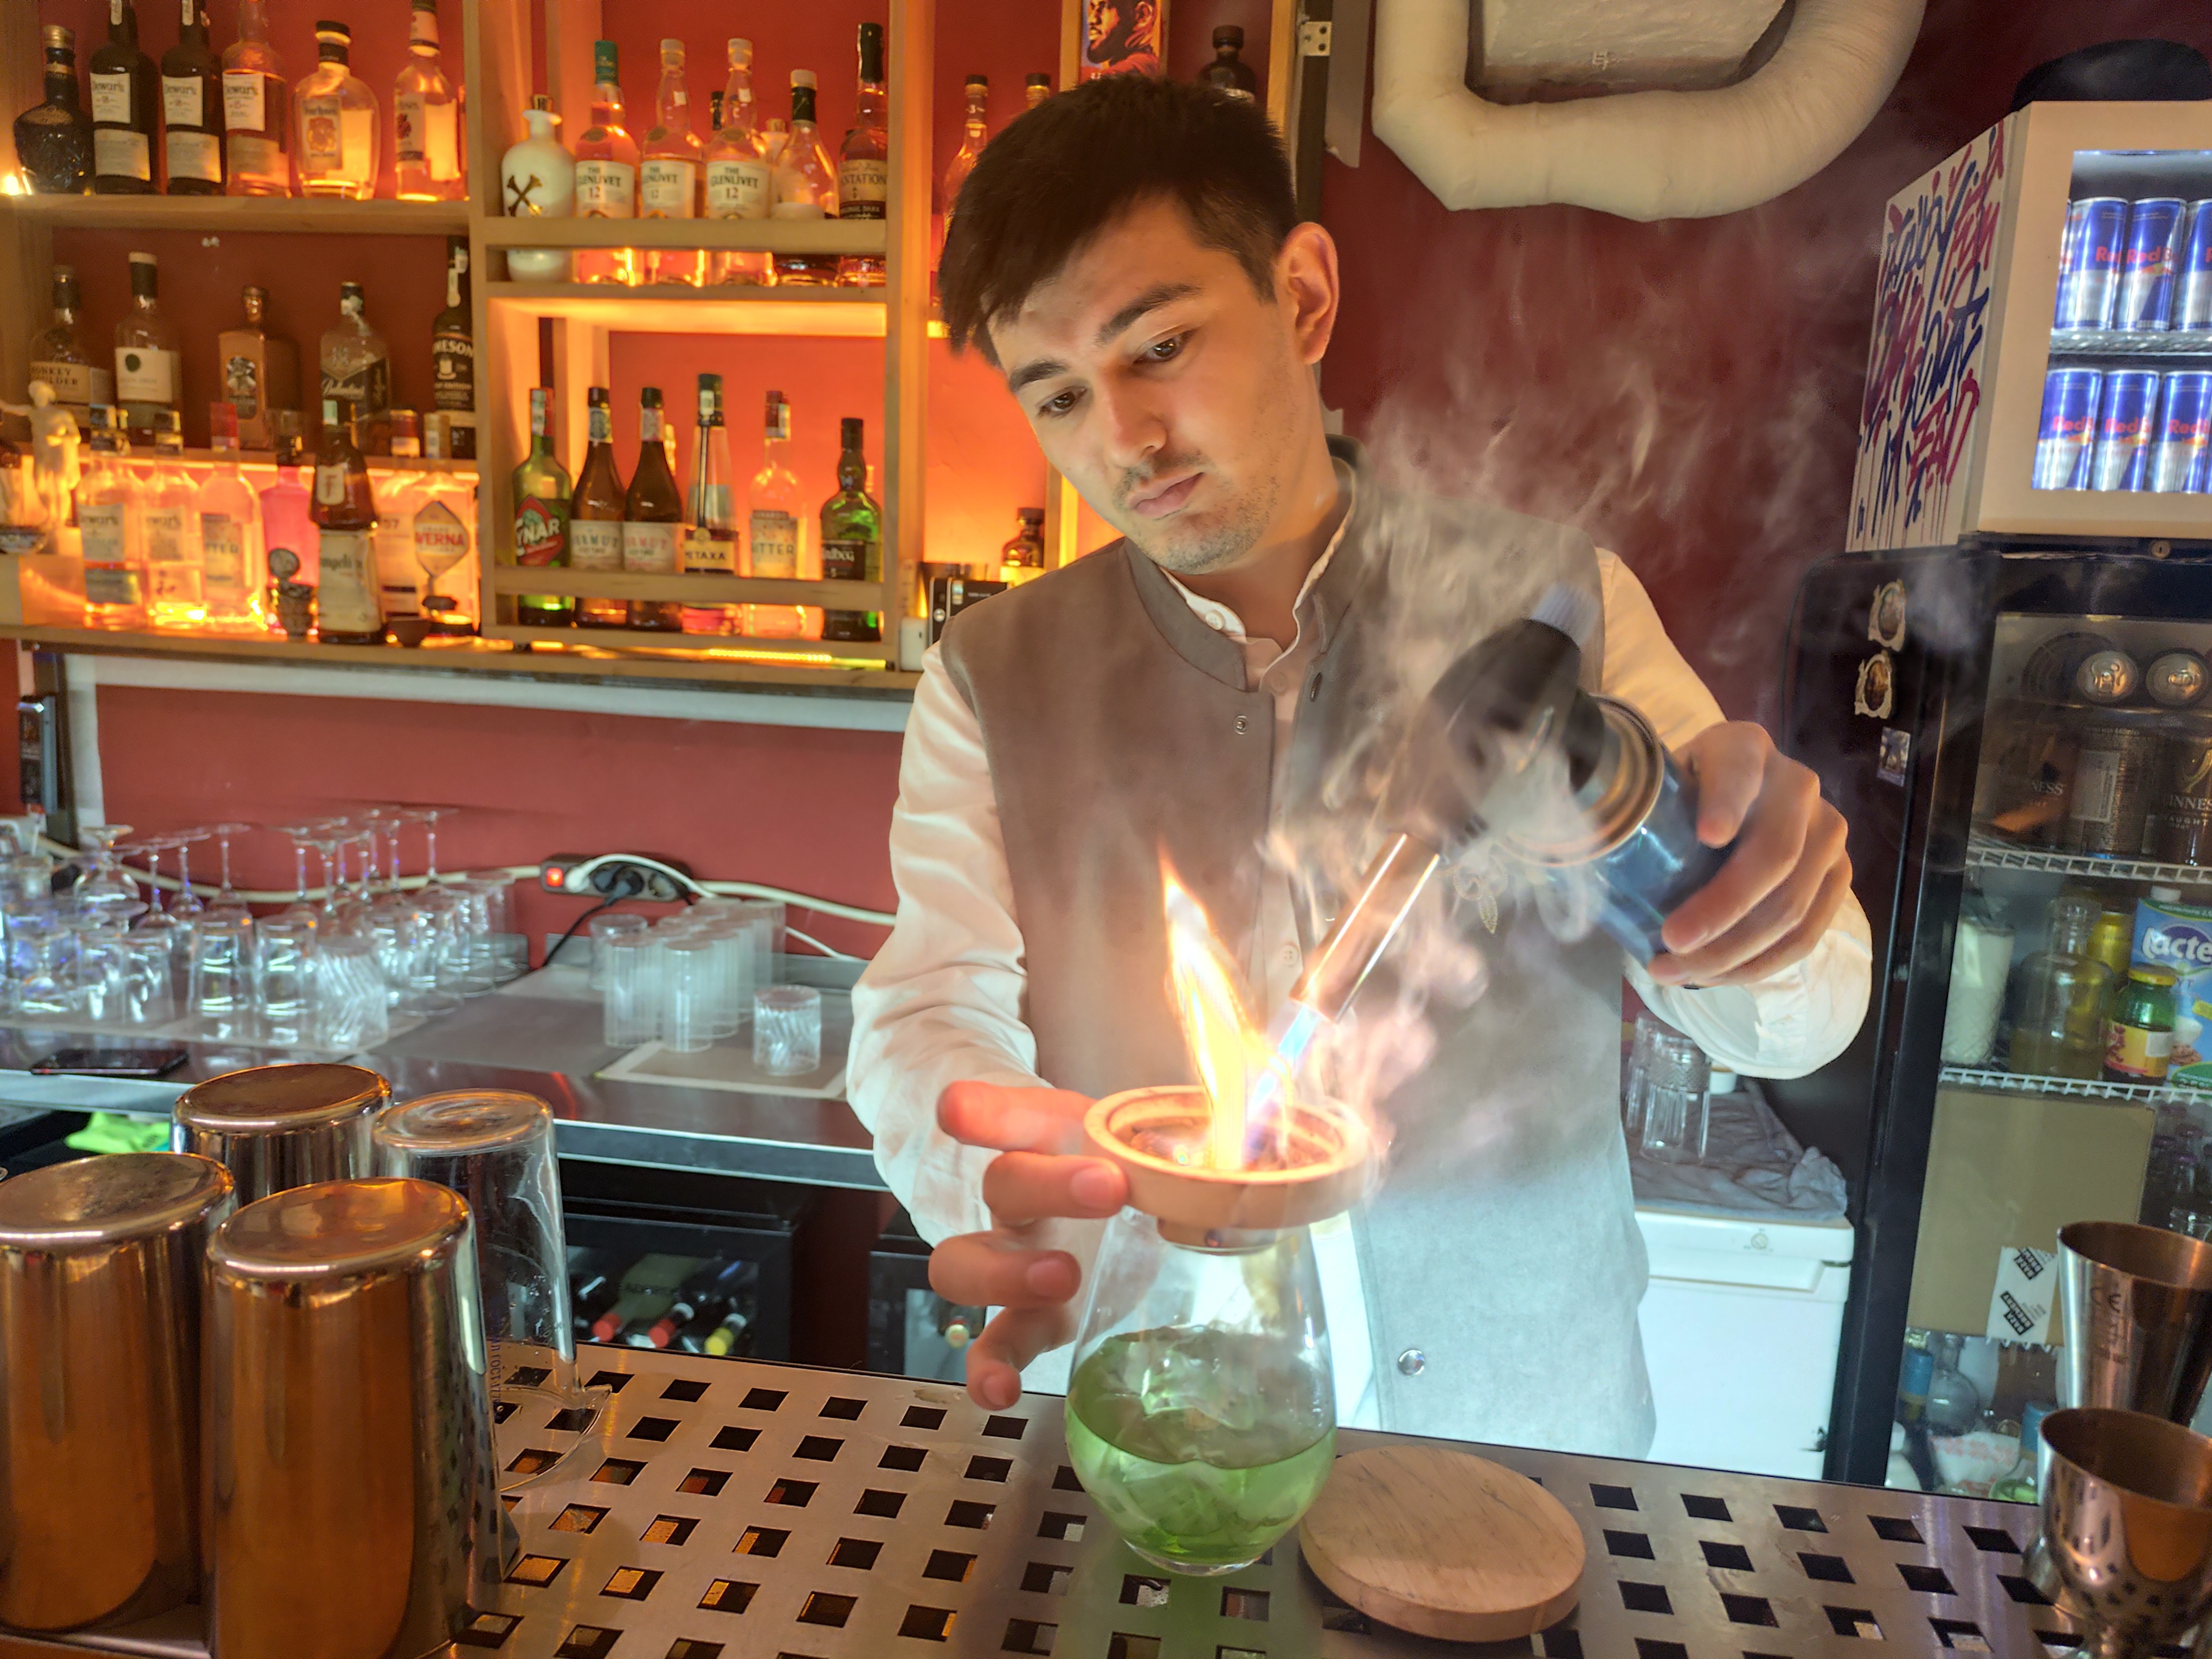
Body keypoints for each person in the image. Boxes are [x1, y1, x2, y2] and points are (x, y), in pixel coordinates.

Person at [848, 74, 1871, 1456]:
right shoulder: (991, 674)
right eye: (1061, 396)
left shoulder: (1558, 606)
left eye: (1161, 348)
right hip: (1158, 1433)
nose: (1124, 440)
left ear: (1304, 298)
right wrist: (1007, 1181)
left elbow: (1802, 1027)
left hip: (1520, 1452)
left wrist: (1754, 896)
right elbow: (929, 1015)